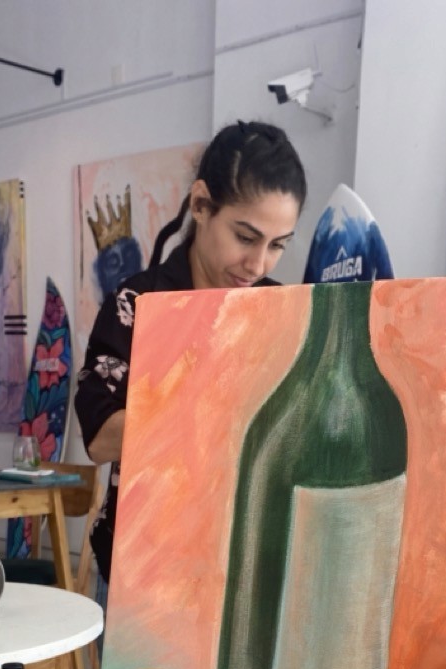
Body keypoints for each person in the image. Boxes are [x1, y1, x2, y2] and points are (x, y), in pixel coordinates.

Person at [75, 121, 307, 592]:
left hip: (250, 569)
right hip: (144, 571)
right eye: (245, 236)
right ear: (201, 204)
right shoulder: (138, 303)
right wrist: (215, 396)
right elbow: (99, 439)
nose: (258, 265)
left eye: (277, 245)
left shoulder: (282, 311)